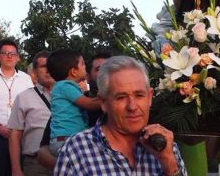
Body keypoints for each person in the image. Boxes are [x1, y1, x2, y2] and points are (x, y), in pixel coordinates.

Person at [54, 56, 187, 175]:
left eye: (139, 95)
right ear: (103, 102)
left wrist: (169, 164)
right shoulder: (76, 151)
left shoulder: (167, 147)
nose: (132, 106)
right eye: (121, 97)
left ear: (149, 97)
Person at [0, 40, 34, 176]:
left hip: (20, 135)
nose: (9, 56)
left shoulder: (25, 79)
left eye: (13, 54)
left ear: (17, 57)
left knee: (18, 170)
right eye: (5, 53)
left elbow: (30, 105)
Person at [8, 51, 54, 176]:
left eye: (51, 65)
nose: (48, 70)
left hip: (66, 162)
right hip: (35, 164)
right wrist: (16, 169)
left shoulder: (72, 96)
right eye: (44, 66)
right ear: (34, 71)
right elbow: (14, 136)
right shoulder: (24, 97)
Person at [46, 49, 100, 155]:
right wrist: (109, 98)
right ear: (73, 71)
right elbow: (89, 104)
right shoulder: (65, 86)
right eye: (83, 64)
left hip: (63, 139)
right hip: (67, 140)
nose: (85, 67)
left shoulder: (62, 86)